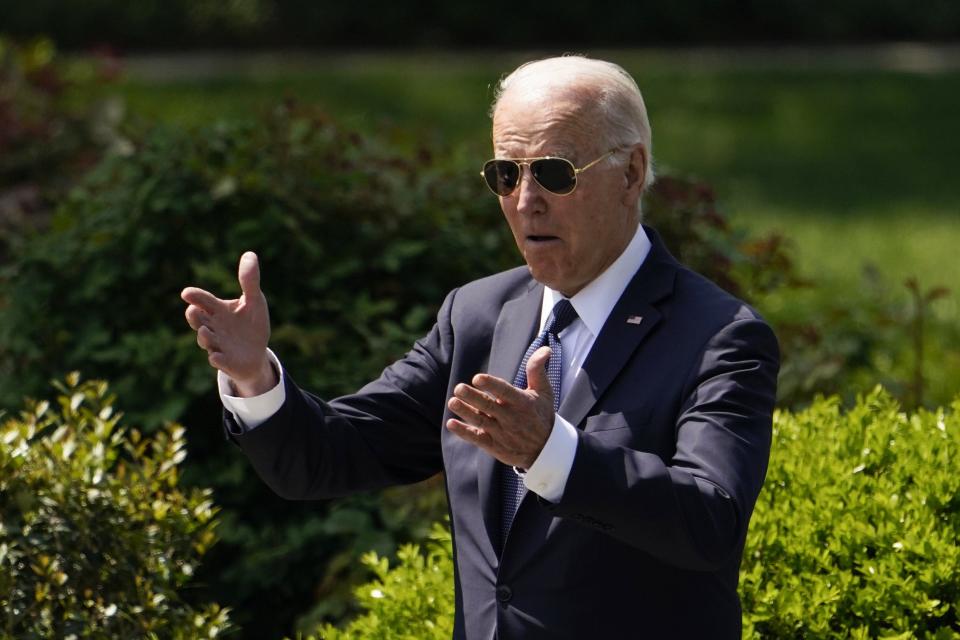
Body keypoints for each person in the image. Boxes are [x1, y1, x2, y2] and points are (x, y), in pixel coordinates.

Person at [181, 55, 779, 640]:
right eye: (505, 174)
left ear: (629, 173)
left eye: (553, 173)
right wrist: (255, 377)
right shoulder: (478, 316)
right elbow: (327, 456)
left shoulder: (719, 337)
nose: (525, 201)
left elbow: (710, 520)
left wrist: (554, 453)